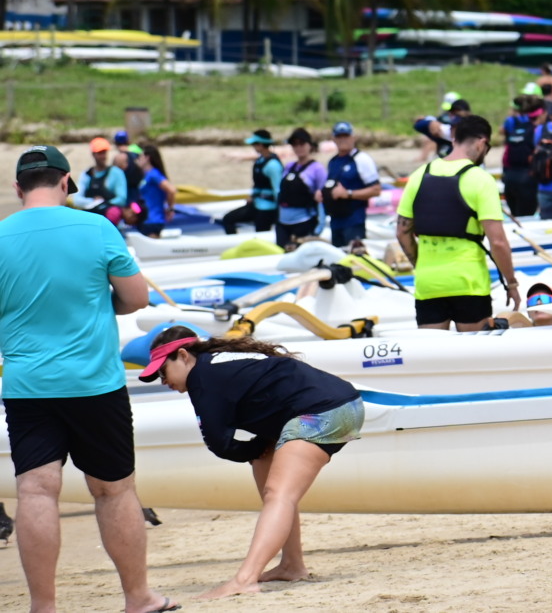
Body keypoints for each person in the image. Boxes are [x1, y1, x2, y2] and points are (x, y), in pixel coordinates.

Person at [0, 145, 177, 613]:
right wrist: (99, 303)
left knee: (36, 491)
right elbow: (136, 298)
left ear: (18, 188)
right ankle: (138, 598)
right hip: (95, 382)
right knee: (113, 489)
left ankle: (43, 607)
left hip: (28, 384)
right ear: (65, 182)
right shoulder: (97, 227)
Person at [138, 325, 365, 600]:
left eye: (163, 371)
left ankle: (245, 580)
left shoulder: (202, 377)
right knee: (267, 478)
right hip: (339, 403)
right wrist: (260, 448)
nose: (163, 380)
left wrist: (256, 447)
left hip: (324, 411)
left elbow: (221, 444)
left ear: (184, 356)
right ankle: (291, 565)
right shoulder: (218, 361)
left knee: (278, 494)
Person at [395, 115, 518, 330]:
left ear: (454, 139)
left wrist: (420, 264)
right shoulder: (481, 180)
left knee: (434, 351)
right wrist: (511, 283)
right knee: (473, 351)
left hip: (428, 283)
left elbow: (402, 232)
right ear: (481, 143)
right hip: (468, 283)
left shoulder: (419, 176)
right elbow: (498, 242)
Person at [323, 122, 380, 249]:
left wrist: (348, 193)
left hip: (353, 220)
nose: (343, 140)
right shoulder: (333, 162)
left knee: (354, 254)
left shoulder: (361, 159)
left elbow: (376, 190)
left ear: (353, 138)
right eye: (339, 137)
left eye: (346, 136)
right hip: (335, 220)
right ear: (334, 139)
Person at [221, 129, 283, 235]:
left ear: (261, 145)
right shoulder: (260, 160)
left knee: (260, 234)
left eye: (254, 144)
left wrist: (281, 213)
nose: (253, 146)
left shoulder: (273, 165)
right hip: (256, 204)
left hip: (268, 209)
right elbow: (258, 184)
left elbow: (278, 190)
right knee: (228, 219)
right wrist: (252, 196)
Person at [275, 128, 326, 248]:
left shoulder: (317, 169)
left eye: (302, 144)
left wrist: (320, 225)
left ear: (310, 145)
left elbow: (322, 199)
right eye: (295, 144)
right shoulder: (289, 167)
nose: (299, 147)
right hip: (283, 223)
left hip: (304, 222)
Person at [502, 94, 544, 219]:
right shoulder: (537, 130)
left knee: (516, 217)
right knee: (527, 219)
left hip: (510, 179)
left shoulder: (514, 127)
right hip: (527, 179)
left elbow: (505, 157)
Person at [79, 136, 129, 224]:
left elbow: (122, 198)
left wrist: (104, 203)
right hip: (91, 215)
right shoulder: (86, 174)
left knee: (114, 212)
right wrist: (94, 201)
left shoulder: (116, 173)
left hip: (109, 217)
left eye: (104, 152)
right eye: (99, 153)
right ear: (93, 154)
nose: (103, 156)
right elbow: (77, 199)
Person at [136, 144, 176, 239]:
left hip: (153, 220)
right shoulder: (145, 175)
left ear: (147, 158)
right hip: (144, 220)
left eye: (140, 156)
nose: (138, 160)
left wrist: (170, 208)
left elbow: (171, 190)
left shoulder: (154, 174)